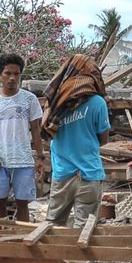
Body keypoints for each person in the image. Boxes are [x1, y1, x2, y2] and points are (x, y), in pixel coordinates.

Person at [43, 54, 109, 228]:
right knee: (84, 229)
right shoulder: (98, 103)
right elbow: (104, 139)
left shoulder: (55, 103)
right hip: (89, 173)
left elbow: (47, 131)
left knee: (53, 226)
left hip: (62, 174)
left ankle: (54, 256)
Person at [0, 53, 46, 222]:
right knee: (0, 202)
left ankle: (23, 241)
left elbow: (36, 130)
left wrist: (39, 157)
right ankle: (1, 238)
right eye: (8, 73)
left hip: (23, 160)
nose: (12, 78)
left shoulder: (29, 99)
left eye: (16, 74)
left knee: (22, 203)